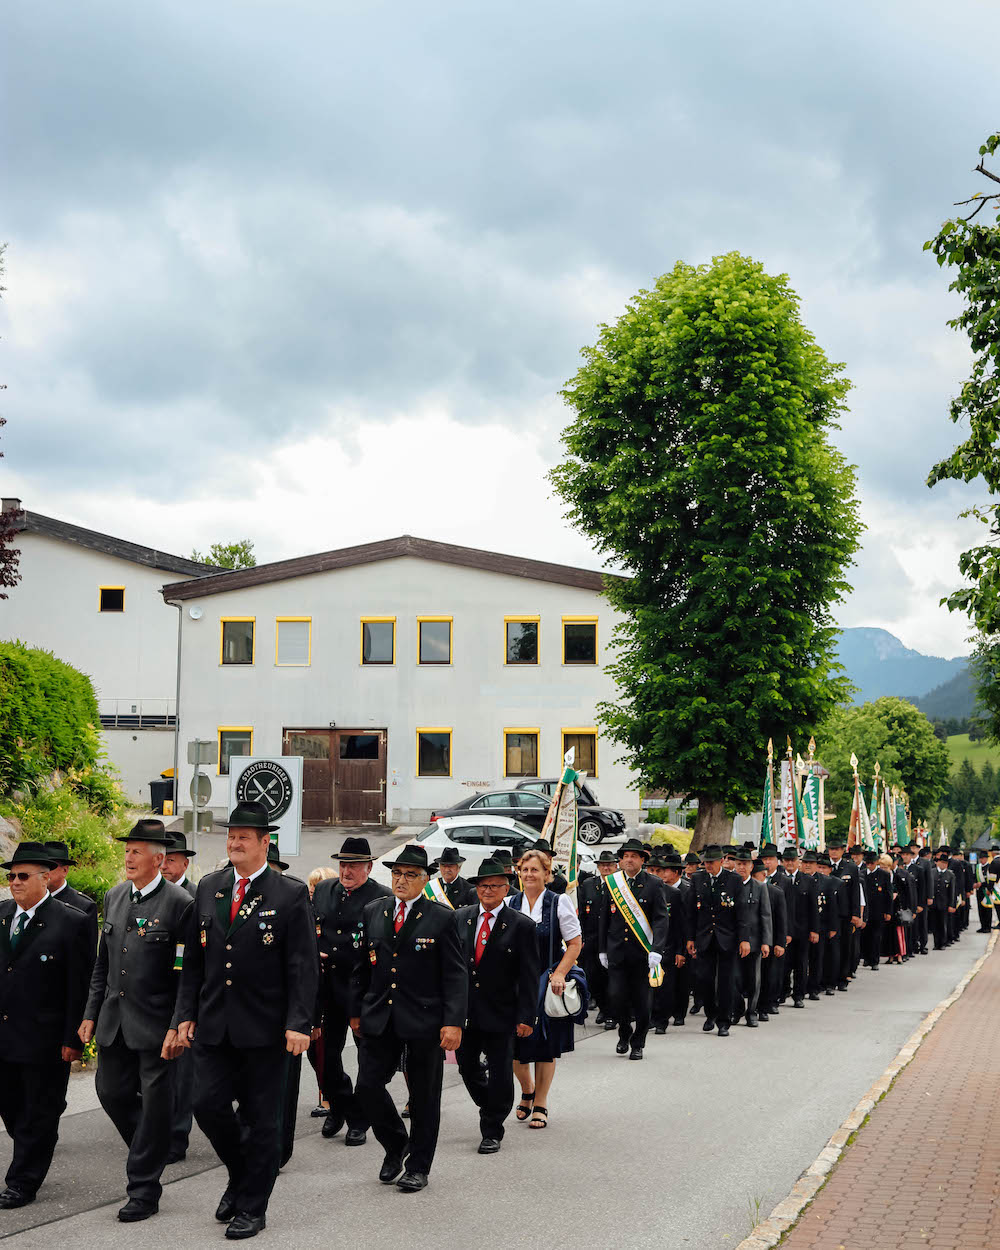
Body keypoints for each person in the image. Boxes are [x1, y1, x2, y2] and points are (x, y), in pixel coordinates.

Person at [175, 801, 318, 1240]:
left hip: (266, 1028)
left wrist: (299, 1022)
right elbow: (193, 961)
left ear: (263, 842)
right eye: (231, 835)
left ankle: (253, 1206)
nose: (234, 842)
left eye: (243, 837)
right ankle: (242, 1176)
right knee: (207, 1105)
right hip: (215, 1024)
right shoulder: (210, 887)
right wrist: (184, 1014)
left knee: (262, 1120)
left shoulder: (288, 893)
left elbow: (303, 965)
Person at [79, 822, 193, 1222]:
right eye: (126, 850)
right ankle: (152, 1148)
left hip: (156, 1025)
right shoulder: (113, 896)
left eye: (137, 851)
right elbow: (103, 963)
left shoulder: (179, 903)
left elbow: (185, 971)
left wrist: (178, 1023)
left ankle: (143, 1189)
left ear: (158, 859)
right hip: (114, 1020)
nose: (128, 857)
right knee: (111, 1093)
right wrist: (90, 1014)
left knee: (157, 1104)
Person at [350, 844, 466, 1193]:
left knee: (424, 1096)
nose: (401, 881)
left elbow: (455, 974)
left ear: (425, 879)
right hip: (379, 1015)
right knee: (367, 1088)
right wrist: (355, 1010)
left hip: (424, 1019)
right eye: (397, 874)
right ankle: (396, 1144)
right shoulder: (374, 910)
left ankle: (418, 1166)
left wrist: (454, 1021)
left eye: (410, 875)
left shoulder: (442, 917)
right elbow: (361, 967)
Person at [0, 841, 91, 1209]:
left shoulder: (72, 921)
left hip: (45, 1039)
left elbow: (79, 984)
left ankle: (23, 1181)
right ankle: (32, 1153)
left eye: (23, 876)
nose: (15, 883)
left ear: (45, 878)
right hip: (4, 1036)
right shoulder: (2, 915)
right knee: (12, 1108)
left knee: (39, 1111)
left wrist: (74, 1038)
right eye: (11, 876)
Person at [454, 858, 539, 1154]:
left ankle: (492, 1128)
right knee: (466, 1066)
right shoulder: (460, 918)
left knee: (502, 1070)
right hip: (465, 1011)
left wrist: (527, 1016)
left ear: (506, 889)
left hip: (503, 1012)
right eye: (482, 885)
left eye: (494, 886)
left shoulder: (522, 925)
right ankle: (489, 1104)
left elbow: (529, 976)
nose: (487, 890)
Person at [313, 836, 391, 1146]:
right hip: (327, 987)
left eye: (354, 866)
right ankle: (340, 1105)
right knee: (323, 1057)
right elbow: (309, 926)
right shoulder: (322, 891)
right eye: (344, 864)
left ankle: (360, 1118)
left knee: (367, 1060)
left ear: (368, 868)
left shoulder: (381, 898)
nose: (347, 871)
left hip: (362, 990)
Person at [509, 848, 583, 1125]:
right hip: (515, 984)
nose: (529, 874)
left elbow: (575, 943)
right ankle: (527, 1090)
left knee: (544, 1045)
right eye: (525, 870)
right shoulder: (510, 903)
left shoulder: (558, 902)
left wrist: (560, 973)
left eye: (535, 870)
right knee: (514, 1045)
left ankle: (540, 1102)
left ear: (547, 874)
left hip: (545, 980)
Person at [597, 838, 667, 1060]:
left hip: (642, 954)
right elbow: (604, 919)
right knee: (616, 997)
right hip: (617, 952)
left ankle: (638, 1042)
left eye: (633, 856)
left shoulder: (654, 884)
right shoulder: (612, 883)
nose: (628, 860)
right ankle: (624, 1032)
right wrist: (602, 949)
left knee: (642, 1003)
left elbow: (660, 919)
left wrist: (656, 949)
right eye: (625, 856)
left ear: (642, 860)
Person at [684, 845, 749, 1037]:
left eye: (712, 862)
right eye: (706, 862)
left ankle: (724, 1021)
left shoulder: (734, 880)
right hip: (704, 937)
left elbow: (742, 913)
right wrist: (689, 938)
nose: (708, 865)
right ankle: (710, 1014)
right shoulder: (698, 879)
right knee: (704, 979)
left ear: (721, 861)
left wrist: (744, 939)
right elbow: (690, 912)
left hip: (727, 938)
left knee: (726, 982)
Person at [647, 848, 687, 1033]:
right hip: (647, 944)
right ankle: (650, 1017)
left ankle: (662, 1020)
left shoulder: (674, 894)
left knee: (666, 986)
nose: (658, 874)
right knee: (648, 987)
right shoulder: (643, 891)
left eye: (660, 870)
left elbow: (679, 925)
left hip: (668, 946)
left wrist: (680, 950)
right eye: (654, 871)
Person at [42, 839, 98, 967]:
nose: (46, 872)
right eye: (42, 866)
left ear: (65, 870)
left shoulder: (83, 906)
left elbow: (87, 959)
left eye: (51, 866)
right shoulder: (31, 901)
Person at [731, 846, 771, 1027]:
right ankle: (737, 1008)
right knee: (734, 979)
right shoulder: (729, 884)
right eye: (739, 863)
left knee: (754, 979)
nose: (741, 867)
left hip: (754, 940)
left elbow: (765, 915)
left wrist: (766, 942)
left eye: (745, 864)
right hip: (732, 941)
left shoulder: (760, 887)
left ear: (751, 866)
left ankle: (751, 1012)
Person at [780, 846, 819, 1007]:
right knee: (783, 964)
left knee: (801, 964)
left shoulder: (808, 880)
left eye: (793, 860)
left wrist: (814, 930)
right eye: (787, 860)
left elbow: (813, 908)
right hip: (783, 929)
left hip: (802, 930)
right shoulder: (779, 880)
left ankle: (798, 995)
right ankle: (781, 993)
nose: (790, 863)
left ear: (798, 862)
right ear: (783, 862)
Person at [829, 836, 865, 984]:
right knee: (831, 948)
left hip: (845, 914)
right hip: (829, 913)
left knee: (845, 947)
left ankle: (843, 978)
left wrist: (856, 914)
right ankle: (829, 979)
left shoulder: (851, 867)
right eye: (832, 849)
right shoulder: (825, 866)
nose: (834, 852)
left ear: (843, 851)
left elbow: (855, 892)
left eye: (837, 849)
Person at [753, 858, 786, 1021]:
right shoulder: (744, 889)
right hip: (750, 940)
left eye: (755, 875)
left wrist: (780, 943)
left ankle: (763, 1007)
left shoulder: (775, 892)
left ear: (764, 875)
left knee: (767, 976)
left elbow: (781, 920)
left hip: (769, 941)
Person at [861, 850, 892, 969]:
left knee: (876, 936)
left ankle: (875, 961)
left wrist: (888, 911)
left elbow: (888, 894)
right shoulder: (862, 874)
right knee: (865, 936)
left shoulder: (884, 874)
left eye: (872, 863)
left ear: (876, 863)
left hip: (878, 911)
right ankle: (866, 958)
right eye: (867, 863)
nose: (869, 865)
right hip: (865, 910)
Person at [930, 851, 958, 950]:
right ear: (937, 862)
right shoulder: (932, 872)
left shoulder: (950, 875)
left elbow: (952, 891)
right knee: (934, 924)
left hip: (944, 903)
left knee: (943, 924)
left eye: (945, 863)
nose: (943, 864)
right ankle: (936, 943)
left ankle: (942, 943)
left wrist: (952, 905)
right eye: (941, 862)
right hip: (933, 903)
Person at [974, 845, 1000, 932]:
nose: (981, 860)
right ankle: (983, 926)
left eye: (983, 858)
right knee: (980, 909)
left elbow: (990, 879)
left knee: (988, 909)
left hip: (987, 890)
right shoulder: (978, 868)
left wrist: (983, 885)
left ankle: (987, 926)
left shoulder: (991, 865)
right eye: (980, 858)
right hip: (980, 891)